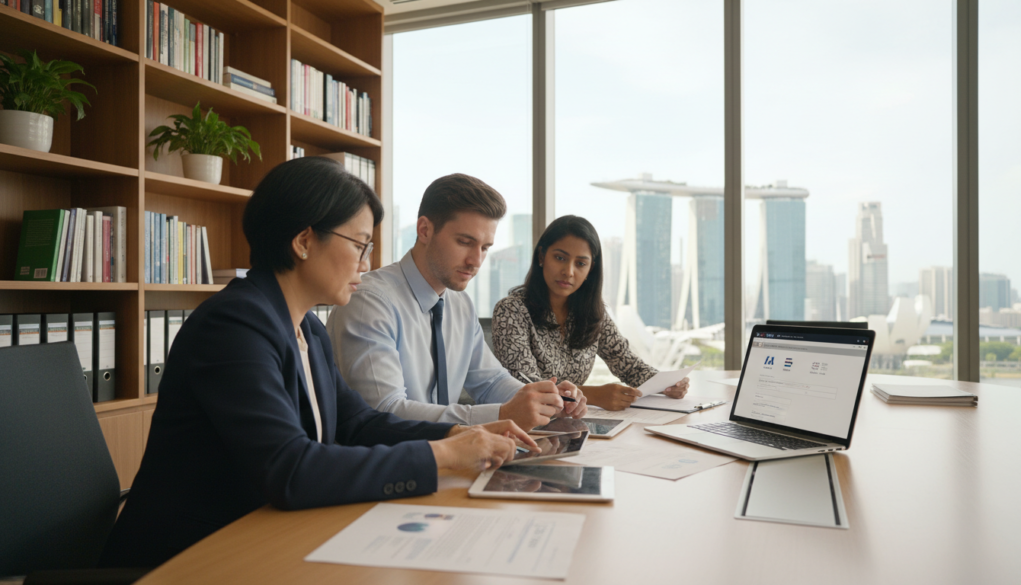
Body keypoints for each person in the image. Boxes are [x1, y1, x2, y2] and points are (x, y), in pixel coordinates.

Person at [99, 158, 537, 568]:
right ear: (304, 241)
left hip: (266, 537)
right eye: (360, 245)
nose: (367, 264)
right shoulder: (233, 326)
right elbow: (290, 469)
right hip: (191, 558)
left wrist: (460, 432)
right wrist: (442, 454)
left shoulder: (306, 328)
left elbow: (358, 425)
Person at [328, 173, 587, 430]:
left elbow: (491, 381)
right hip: (392, 463)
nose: (476, 261)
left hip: (452, 458)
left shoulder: (460, 304)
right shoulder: (369, 302)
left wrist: (543, 399)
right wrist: (501, 414)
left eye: (485, 248)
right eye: (465, 242)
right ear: (425, 230)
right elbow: (385, 411)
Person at [491, 215, 690, 411]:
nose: (569, 272)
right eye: (560, 258)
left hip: (572, 425)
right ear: (542, 256)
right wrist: (592, 395)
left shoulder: (593, 312)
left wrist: (668, 384)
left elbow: (627, 364)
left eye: (580, 263)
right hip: (522, 428)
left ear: (590, 269)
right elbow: (526, 387)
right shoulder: (511, 311)